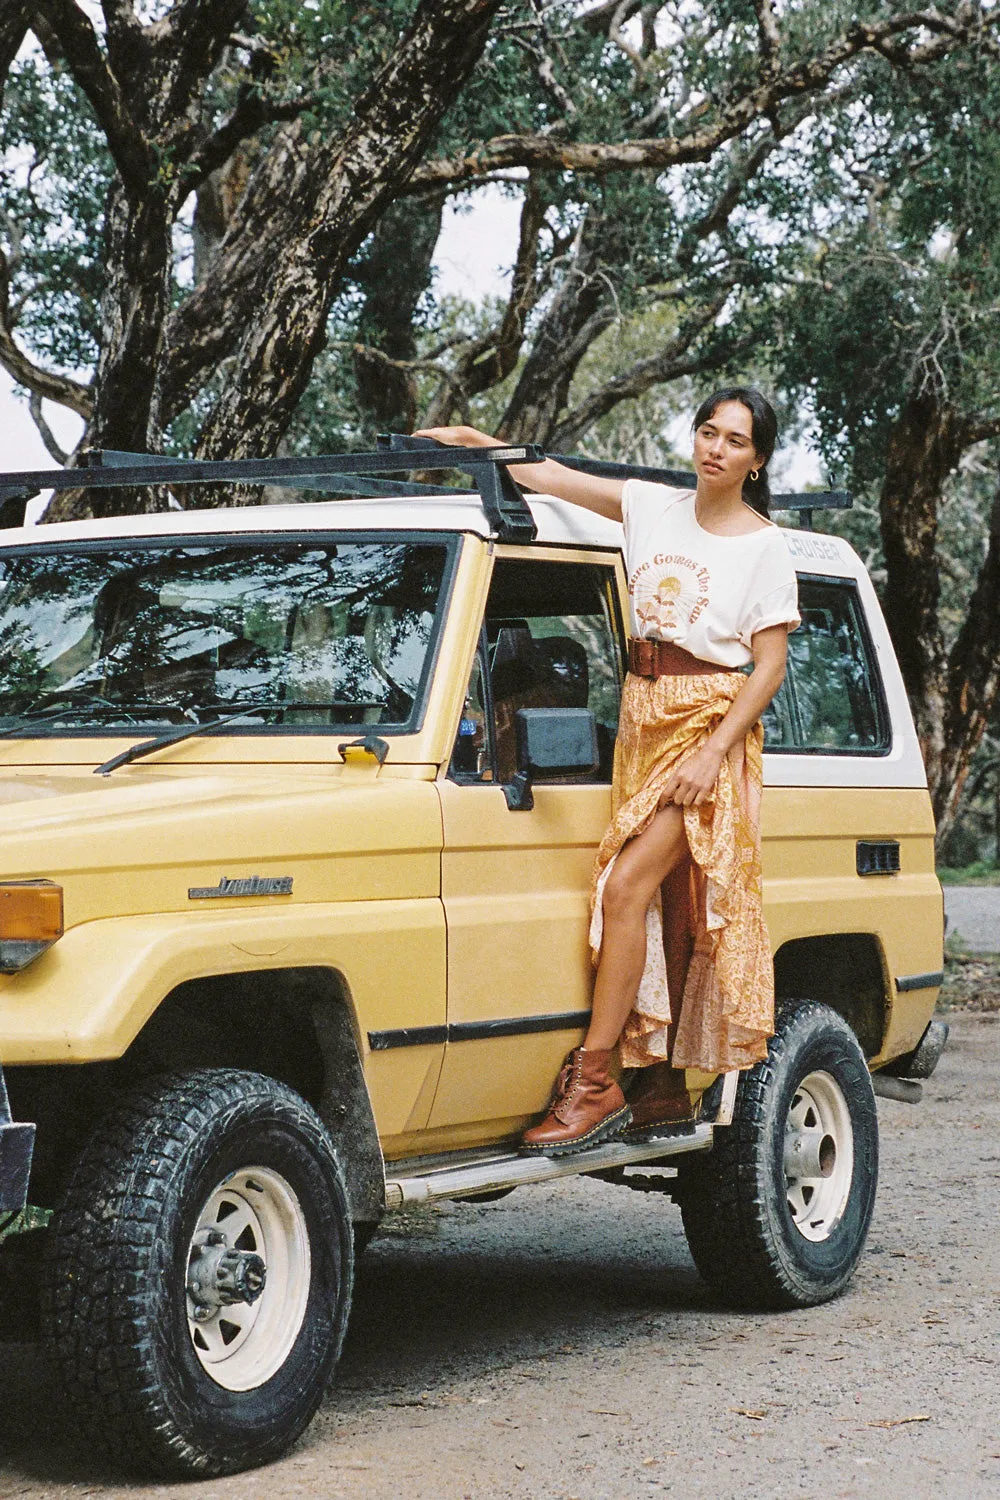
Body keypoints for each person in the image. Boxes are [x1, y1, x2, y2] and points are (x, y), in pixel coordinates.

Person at [415, 387, 800, 1155]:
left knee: (625, 889)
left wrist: (712, 753)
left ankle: (595, 1083)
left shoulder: (763, 546)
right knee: (661, 903)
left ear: (757, 461)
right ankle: (660, 1084)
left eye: (735, 440)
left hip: (707, 724)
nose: (715, 448)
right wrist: (477, 443)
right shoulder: (652, 507)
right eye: (708, 431)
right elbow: (554, 478)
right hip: (642, 716)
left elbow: (769, 667)